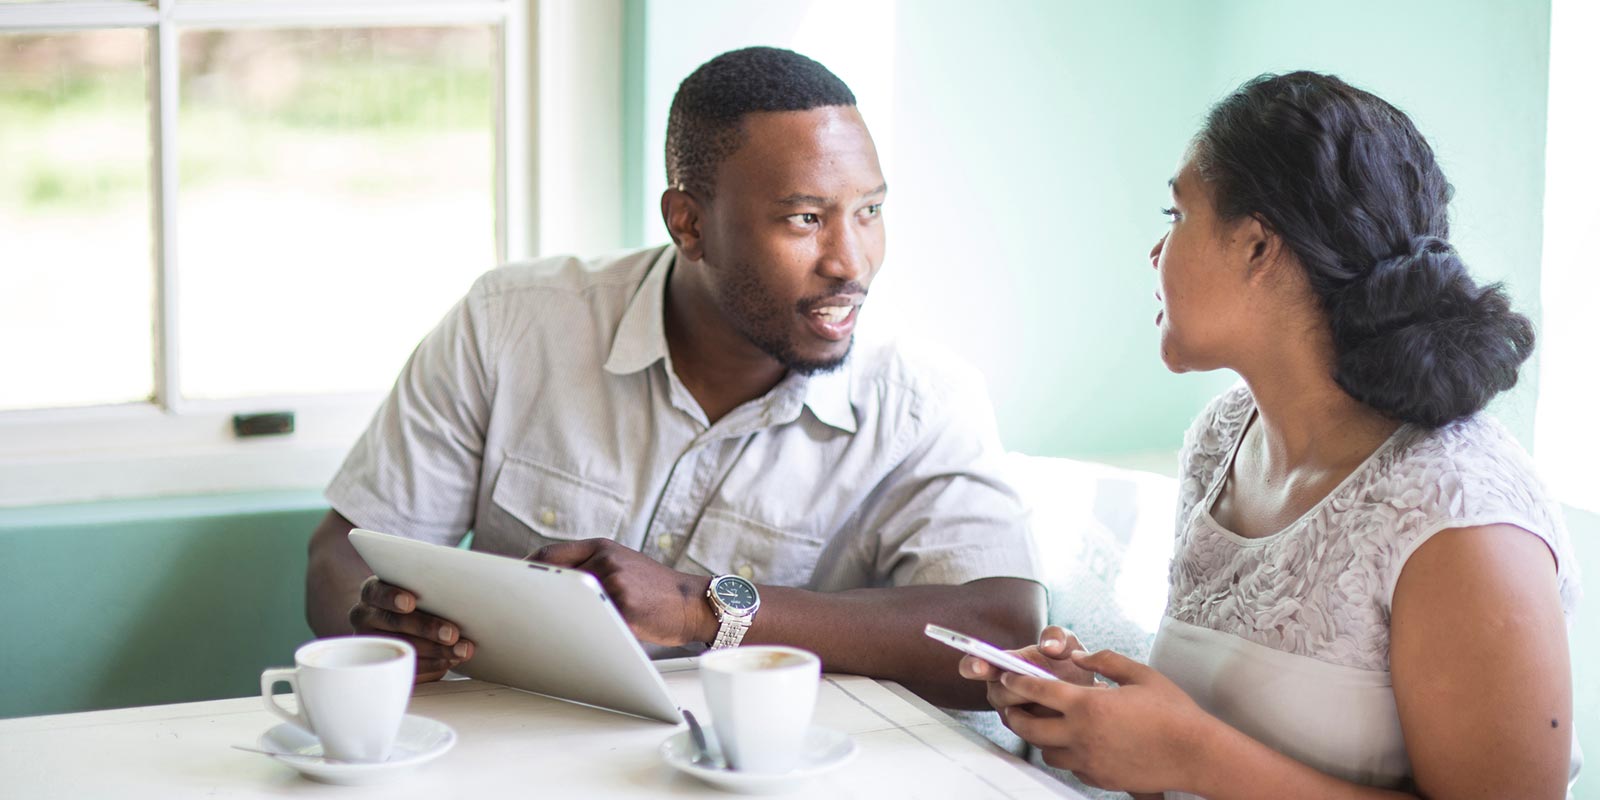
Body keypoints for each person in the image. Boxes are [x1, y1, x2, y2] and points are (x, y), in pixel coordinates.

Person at [305, 46, 1044, 709]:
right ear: (688, 223)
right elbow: (343, 554)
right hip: (512, 756)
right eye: (806, 218)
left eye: (870, 211)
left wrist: (704, 607)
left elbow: (1002, 630)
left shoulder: (922, 402)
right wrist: (388, 623)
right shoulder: (510, 324)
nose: (851, 262)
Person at [962, 71, 1581, 798]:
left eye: (1177, 212)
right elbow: (1233, 724)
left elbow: (1211, 756)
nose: (1156, 255)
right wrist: (1094, 705)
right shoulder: (1224, 436)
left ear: (1258, 246)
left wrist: (1190, 756)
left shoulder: (1459, 516)